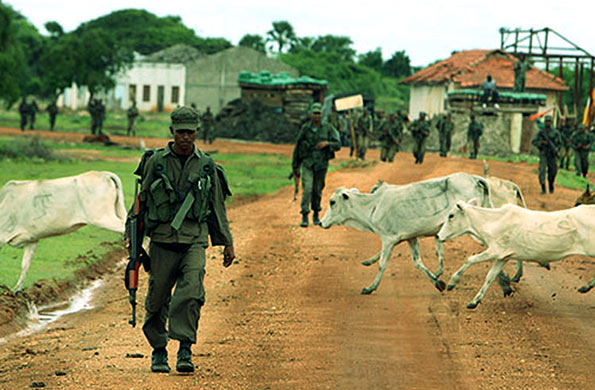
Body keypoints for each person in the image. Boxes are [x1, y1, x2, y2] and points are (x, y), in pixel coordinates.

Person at [131, 105, 235, 373]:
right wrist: (134, 243)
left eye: (190, 132)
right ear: (171, 131)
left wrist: (227, 242)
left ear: (197, 132)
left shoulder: (206, 165)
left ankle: (185, 348)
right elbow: (141, 203)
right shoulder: (156, 161)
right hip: (163, 241)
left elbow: (216, 206)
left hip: (193, 240)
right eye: (180, 132)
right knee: (157, 299)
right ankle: (159, 350)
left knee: (190, 293)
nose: (185, 137)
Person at [292, 102, 341, 227]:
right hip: (308, 163)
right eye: (314, 113)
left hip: (321, 164)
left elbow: (338, 144)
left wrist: (327, 144)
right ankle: (304, 215)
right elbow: (298, 146)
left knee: (317, 190)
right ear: (310, 115)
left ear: (321, 115)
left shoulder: (328, 128)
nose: (316, 116)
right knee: (307, 189)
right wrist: (295, 165)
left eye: (318, 113)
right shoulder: (305, 128)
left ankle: (316, 214)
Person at [531, 115, 562, 194]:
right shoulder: (541, 132)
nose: (547, 123)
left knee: (553, 171)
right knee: (542, 170)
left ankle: (551, 184)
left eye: (549, 121)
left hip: (552, 154)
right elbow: (534, 142)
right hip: (544, 153)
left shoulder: (555, 133)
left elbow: (559, 144)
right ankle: (543, 187)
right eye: (546, 121)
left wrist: (556, 150)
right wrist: (542, 143)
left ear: (551, 122)